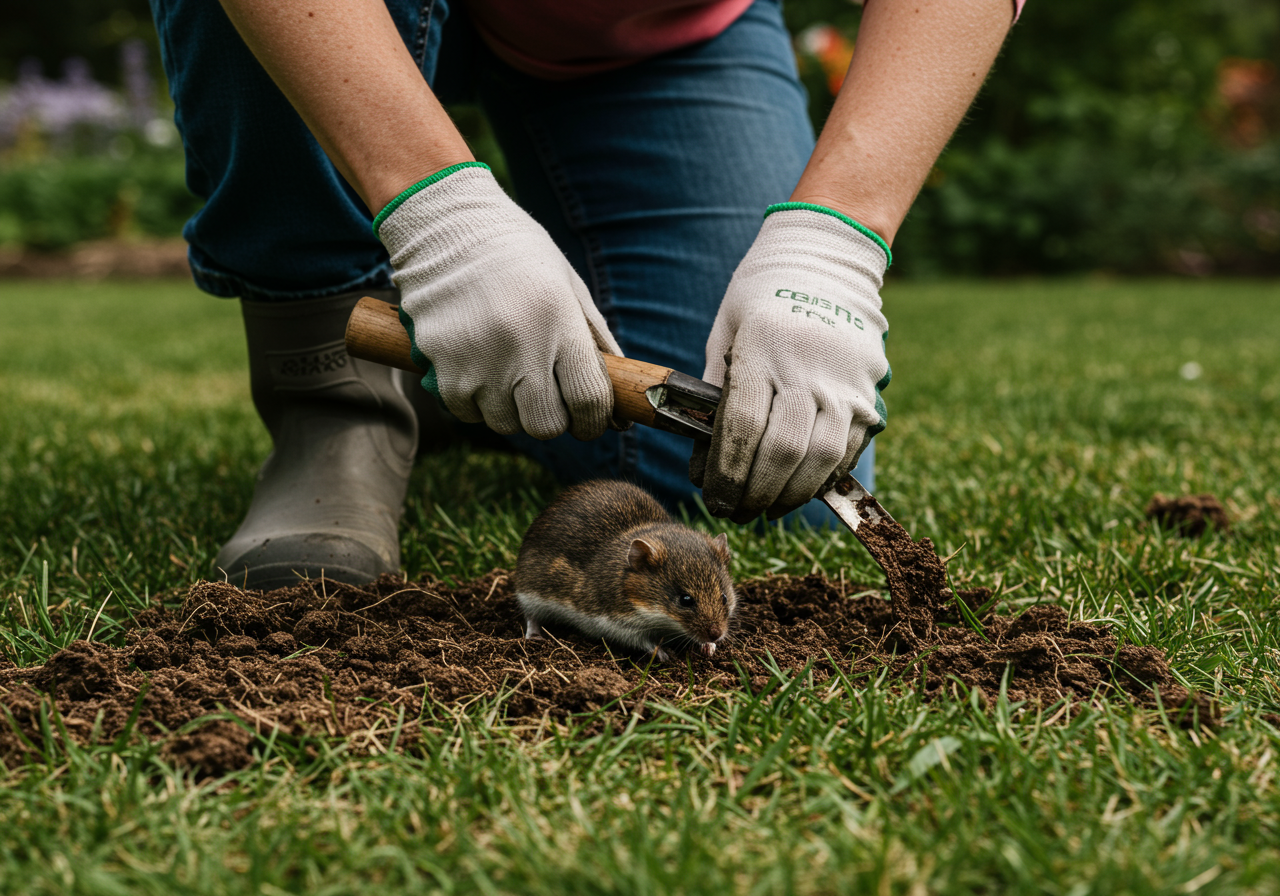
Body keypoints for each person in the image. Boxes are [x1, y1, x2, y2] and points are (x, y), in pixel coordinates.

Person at [148, 0, 1020, 589]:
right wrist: (442, 215)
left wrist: (835, 241)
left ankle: (454, 376)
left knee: (757, 468)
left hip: (639, 26)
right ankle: (330, 405)